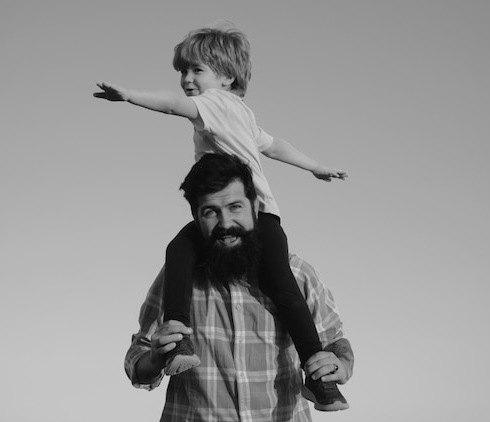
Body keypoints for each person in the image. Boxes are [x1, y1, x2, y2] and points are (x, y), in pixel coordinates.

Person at [95, 25, 348, 407]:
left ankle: (181, 338)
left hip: (260, 216)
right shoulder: (242, 114)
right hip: (266, 215)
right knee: (279, 285)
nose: (186, 79)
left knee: (199, 256)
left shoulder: (215, 103)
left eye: (196, 70)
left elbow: (173, 106)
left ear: (226, 77)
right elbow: (276, 145)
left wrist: (130, 96)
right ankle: (320, 381)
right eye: (182, 72)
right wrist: (316, 167)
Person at [125, 154, 354, 420]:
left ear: (255, 207)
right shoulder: (176, 278)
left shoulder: (299, 274)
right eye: (211, 212)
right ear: (196, 219)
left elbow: (336, 342)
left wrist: (341, 365)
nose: (225, 223)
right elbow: (137, 360)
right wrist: (154, 359)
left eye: (235, 207)